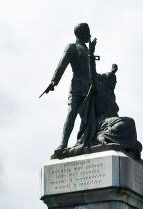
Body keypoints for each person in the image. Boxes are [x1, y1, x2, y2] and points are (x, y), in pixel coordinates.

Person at [44, 23, 94, 153]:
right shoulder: (72, 47)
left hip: (89, 87)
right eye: (87, 31)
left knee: (88, 116)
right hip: (77, 85)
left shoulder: (89, 50)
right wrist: (54, 81)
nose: (90, 34)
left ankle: (85, 141)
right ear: (81, 33)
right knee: (72, 113)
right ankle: (63, 143)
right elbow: (62, 64)